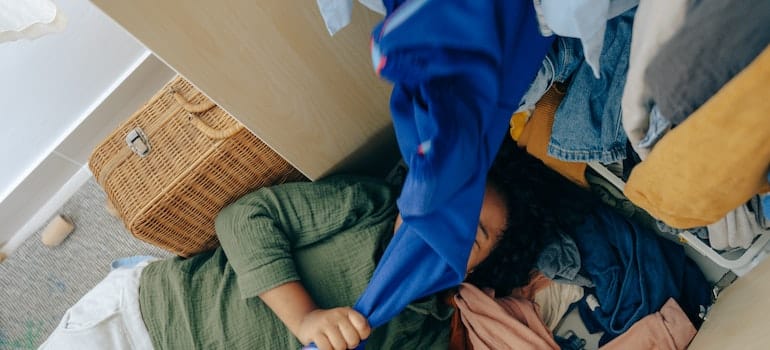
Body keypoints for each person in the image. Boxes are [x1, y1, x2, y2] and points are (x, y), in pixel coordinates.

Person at [39, 144, 593, 350]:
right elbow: (244, 219)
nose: (446, 228)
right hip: (150, 321)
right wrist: (305, 318)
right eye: (450, 203)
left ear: (472, 271)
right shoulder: (367, 208)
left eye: (470, 237)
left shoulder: (422, 327)